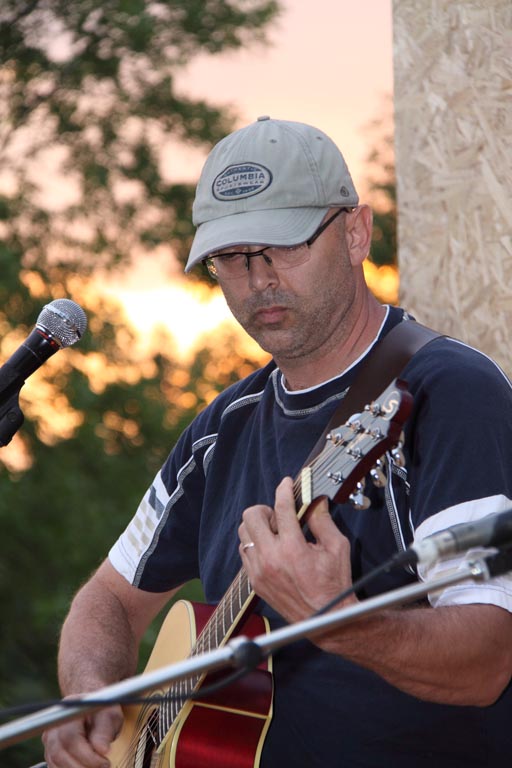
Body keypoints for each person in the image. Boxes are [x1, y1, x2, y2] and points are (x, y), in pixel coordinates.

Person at [43, 116, 512, 768]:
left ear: (356, 233)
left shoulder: (447, 394)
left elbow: (490, 660)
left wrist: (337, 620)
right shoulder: (221, 430)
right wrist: (90, 693)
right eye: (231, 258)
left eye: (282, 246)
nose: (257, 278)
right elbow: (110, 600)